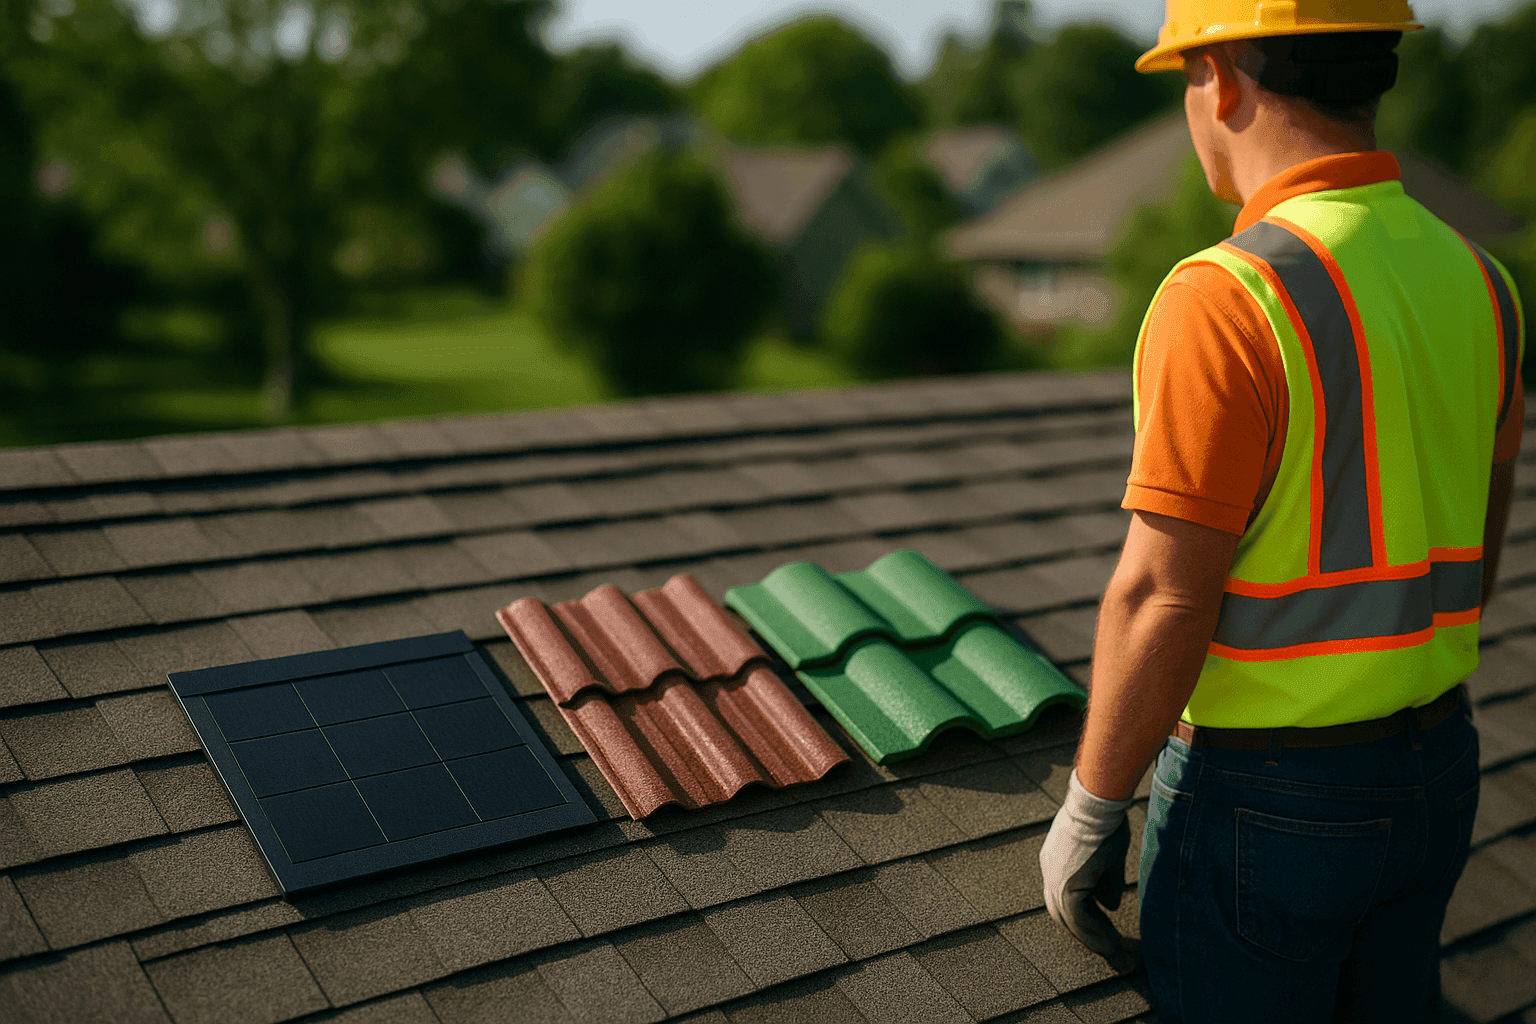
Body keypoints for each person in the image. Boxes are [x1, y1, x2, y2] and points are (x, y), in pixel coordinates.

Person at [1037, 1, 1526, 1021]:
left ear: (1220, 76)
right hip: (1439, 769)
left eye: (1184, 79)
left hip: (1272, 804)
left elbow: (1163, 596)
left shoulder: (1227, 295)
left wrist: (1092, 807)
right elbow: (1477, 550)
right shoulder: (1482, 280)